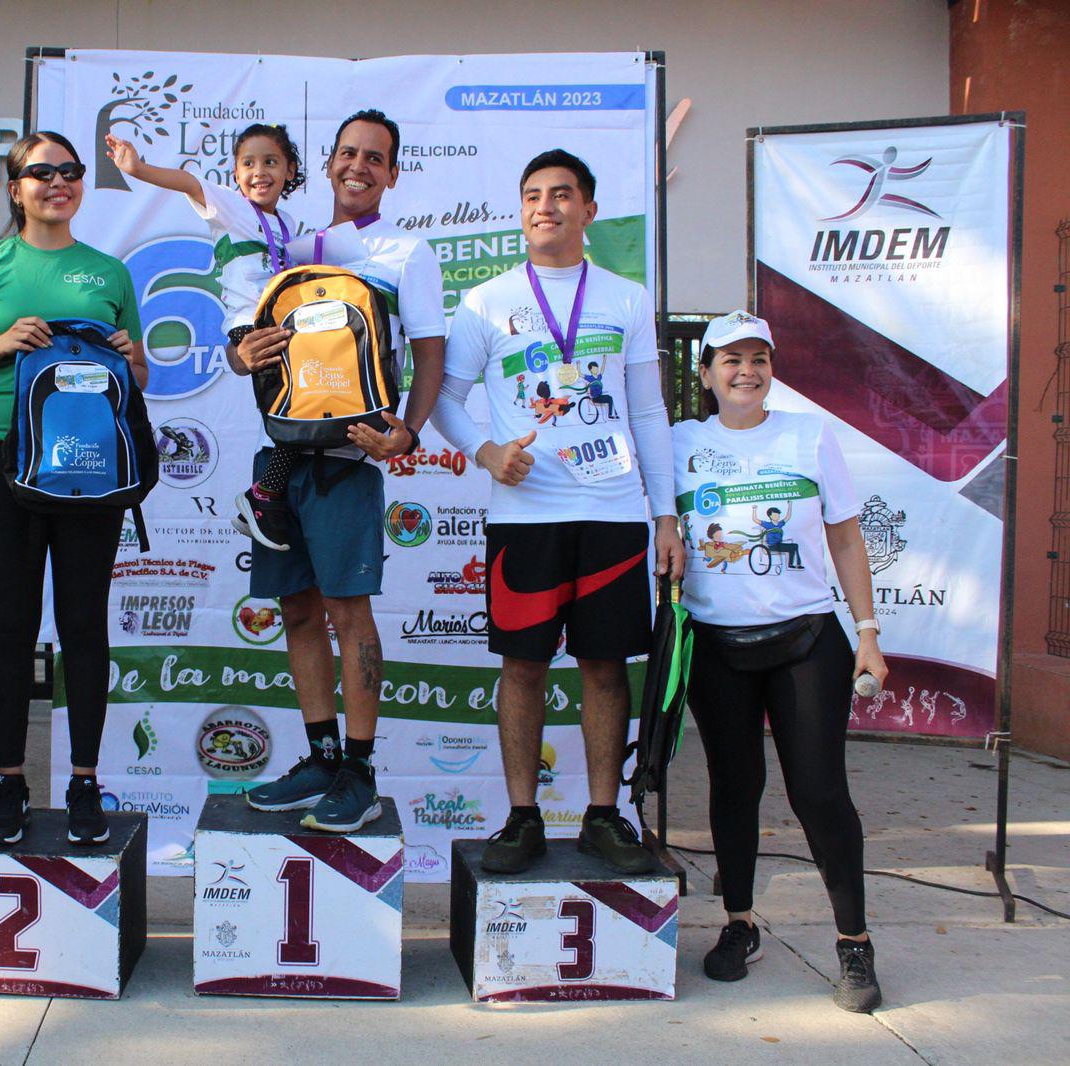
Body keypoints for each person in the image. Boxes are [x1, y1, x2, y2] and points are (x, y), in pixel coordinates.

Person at [429, 149, 684, 875]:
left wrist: (664, 517)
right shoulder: (485, 300)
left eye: (563, 194)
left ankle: (606, 814)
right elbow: (444, 399)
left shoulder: (626, 298)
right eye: (533, 194)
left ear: (589, 209)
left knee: (606, 668)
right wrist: (486, 452)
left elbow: (648, 409)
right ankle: (521, 817)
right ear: (520, 211)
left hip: (612, 511)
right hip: (524, 516)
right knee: (524, 666)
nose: (547, 206)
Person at [231, 109, 446, 832]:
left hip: (351, 457)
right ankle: (320, 755)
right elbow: (251, 341)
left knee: (349, 615)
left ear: (392, 172)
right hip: (284, 450)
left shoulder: (406, 252)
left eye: (375, 158)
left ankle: (358, 767)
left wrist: (408, 433)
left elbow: (431, 355)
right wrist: (241, 354)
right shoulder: (289, 242)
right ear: (327, 164)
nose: (359, 166)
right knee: (297, 610)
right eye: (348, 153)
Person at [0, 132, 146, 849]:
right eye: (42, 172)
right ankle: (10, 780)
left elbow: (139, 379)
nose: (59, 182)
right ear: (15, 187)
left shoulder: (110, 272)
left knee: (85, 626)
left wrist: (126, 356)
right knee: (11, 627)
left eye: (71, 171)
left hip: (90, 470)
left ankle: (85, 783)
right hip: (1, 461)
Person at [674, 310, 888, 1012]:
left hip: (806, 640)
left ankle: (854, 944)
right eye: (730, 359)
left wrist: (867, 631)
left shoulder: (808, 435)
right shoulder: (679, 443)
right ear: (705, 374)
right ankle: (739, 924)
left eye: (758, 358)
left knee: (819, 792)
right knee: (734, 787)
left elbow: (848, 539)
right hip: (715, 643)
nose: (746, 371)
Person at [104, 123, 305, 551]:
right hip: (248, 325)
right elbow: (190, 183)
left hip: (280, 326)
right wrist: (139, 168)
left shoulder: (287, 223)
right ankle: (263, 497)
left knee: (299, 408)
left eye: (271, 161)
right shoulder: (232, 207)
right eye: (248, 163)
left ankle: (267, 495)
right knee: (292, 408)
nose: (259, 172)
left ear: (289, 170)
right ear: (234, 175)